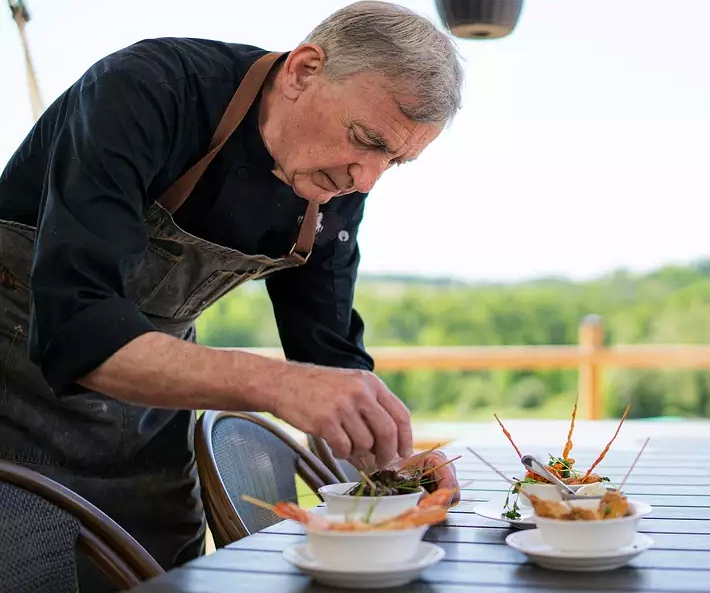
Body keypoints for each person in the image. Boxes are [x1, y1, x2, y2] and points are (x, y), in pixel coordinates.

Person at [0, 0, 463, 587]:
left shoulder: (335, 177)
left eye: (394, 160)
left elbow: (327, 353)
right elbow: (76, 326)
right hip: (12, 414)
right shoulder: (149, 90)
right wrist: (276, 385)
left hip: (148, 429)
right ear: (303, 70)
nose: (365, 180)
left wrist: (394, 466)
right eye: (365, 139)